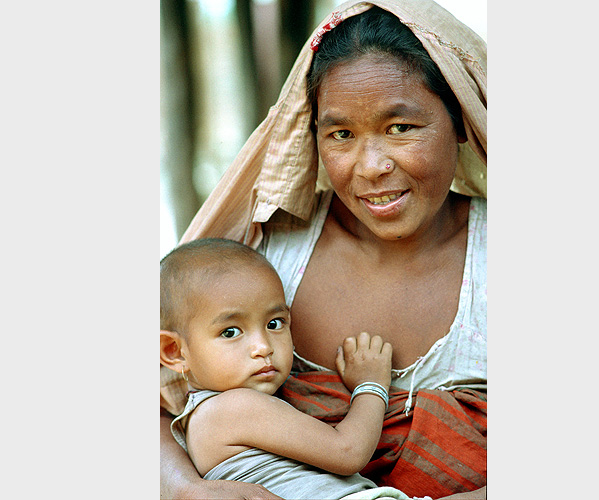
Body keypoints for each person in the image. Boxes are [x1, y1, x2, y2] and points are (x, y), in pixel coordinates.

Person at [160, 1, 487, 498]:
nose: (371, 166)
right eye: (341, 134)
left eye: (401, 128)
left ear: (460, 120)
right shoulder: (266, 248)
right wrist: (184, 487)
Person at [160, 237, 419, 500]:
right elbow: (348, 452)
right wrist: (370, 385)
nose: (263, 346)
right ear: (174, 351)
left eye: (274, 323)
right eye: (230, 332)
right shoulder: (232, 408)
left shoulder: (199, 419)